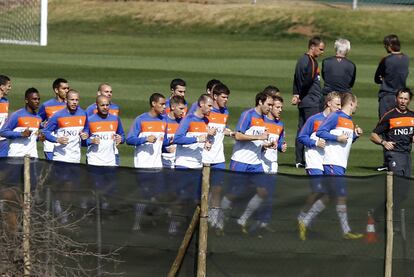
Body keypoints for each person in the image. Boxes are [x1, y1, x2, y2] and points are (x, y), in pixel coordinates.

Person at [217, 91, 273, 234]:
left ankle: (242, 219)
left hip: (255, 162)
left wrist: (265, 144)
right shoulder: (247, 115)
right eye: (269, 104)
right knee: (233, 193)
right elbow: (238, 135)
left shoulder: (264, 118)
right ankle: (219, 222)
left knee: (263, 192)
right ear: (260, 102)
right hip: (240, 160)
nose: (271, 108)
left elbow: (256, 139)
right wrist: (259, 137)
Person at [313, 92, 363, 239]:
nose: (357, 106)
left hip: (341, 163)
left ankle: (305, 220)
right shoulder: (335, 116)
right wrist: (337, 137)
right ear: (351, 103)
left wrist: (355, 136)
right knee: (341, 195)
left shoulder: (350, 121)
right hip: (332, 162)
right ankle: (345, 230)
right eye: (356, 103)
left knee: (329, 196)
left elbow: (345, 142)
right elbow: (320, 132)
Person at [296, 91, 341, 240]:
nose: (340, 108)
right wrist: (315, 142)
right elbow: (301, 137)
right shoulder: (314, 119)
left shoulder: (338, 121)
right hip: (314, 159)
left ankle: (306, 220)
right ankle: (301, 217)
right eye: (337, 104)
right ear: (328, 103)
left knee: (328, 195)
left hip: (329, 161)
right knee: (317, 190)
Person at [370, 88, 414, 219]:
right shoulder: (390, 115)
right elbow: (373, 134)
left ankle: (378, 215)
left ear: (409, 100)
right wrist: (383, 142)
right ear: (396, 98)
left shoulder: (412, 116)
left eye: (405, 99)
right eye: (401, 98)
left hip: (407, 156)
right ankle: (388, 219)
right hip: (394, 155)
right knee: (398, 187)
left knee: (403, 192)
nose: (403, 101)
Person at [374, 34, 410, 171]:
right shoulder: (406, 58)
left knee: (385, 128)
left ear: (389, 46)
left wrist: (384, 79)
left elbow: (377, 78)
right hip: (400, 96)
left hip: (387, 96)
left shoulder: (386, 60)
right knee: (398, 129)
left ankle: (388, 161)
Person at [292, 36, 325, 168]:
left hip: (307, 100)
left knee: (302, 129)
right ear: (313, 46)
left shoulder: (307, 60)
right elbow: (304, 82)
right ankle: (305, 159)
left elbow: (297, 79)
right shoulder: (309, 62)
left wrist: (297, 94)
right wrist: (299, 95)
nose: (322, 52)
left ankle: (300, 159)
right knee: (310, 130)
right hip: (310, 101)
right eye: (321, 49)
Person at [43, 89, 89, 163]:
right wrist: (57, 139)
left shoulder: (83, 114)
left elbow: (86, 128)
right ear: (66, 100)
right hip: (60, 158)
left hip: (76, 159)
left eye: (76, 100)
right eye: (72, 100)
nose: (74, 102)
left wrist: (85, 134)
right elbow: (45, 132)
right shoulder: (58, 115)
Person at [126, 93, 167, 168]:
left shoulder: (164, 121)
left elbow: (163, 142)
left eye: (165, 104)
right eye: (162, 104)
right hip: (142, 165)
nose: (164, 107)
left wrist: (170, 142)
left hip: (157, 166)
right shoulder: (140, 119)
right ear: (153, 103)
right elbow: (129, 140)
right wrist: (146, 139)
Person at [173, 94, 214, 169]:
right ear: (201, 104)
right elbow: (177, 138)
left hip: (198, 165)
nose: (211, 108)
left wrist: (208, 141)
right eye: (209, 106)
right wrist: (197, 139)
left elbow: (203, 138)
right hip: (184, 164)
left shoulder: (206, 121)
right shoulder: (188, 119)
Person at [0, 88, 42, 158]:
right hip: (16, 157)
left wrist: (39, 137)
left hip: (33, 157)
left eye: (38, 99)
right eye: (34, 99)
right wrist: (21, 134)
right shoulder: (16, 115)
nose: (37, 101)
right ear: (26, 100)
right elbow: (3, 132)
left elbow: (32, 138)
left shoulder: (38, 118)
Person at [85, 95, 125, 166]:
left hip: (111, 162)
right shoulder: (89, 120)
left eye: (107, 105)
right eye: (102, 105)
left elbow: (122, 136)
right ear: (97, 105)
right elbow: (82, 141)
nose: (105, 107)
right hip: (94, 161)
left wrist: (120, 139)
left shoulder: (115, 119)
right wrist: (91, 141)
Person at [38, 78, 70, 160]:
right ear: (56, 90)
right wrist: (42, 125)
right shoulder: (47, 105)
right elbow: (36, 122)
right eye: (64, 88)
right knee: (51, 170)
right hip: (50, 145)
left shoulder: (72, 106)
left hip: (67, 145)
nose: (66, 91)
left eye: (67, 88)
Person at [321, 38, 356, 108]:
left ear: (335, 48)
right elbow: (351, 83)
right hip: (344, 98)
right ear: (347, 50)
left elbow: (324, 77)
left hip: (327, 96)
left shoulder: (326, 62)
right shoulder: (351, 65)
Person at [162, 95, 187, 168]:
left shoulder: (185, 122)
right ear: (173, 107)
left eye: (184, 109)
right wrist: (166, 149)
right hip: (164, 162)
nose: (183, 112)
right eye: (181, 109)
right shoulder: (161, 121)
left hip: (180, 161)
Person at [0, 75, 12, 157]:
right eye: (8, 86)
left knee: (3, 168)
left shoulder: (5, 101)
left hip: (3, 141)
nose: (10, 88)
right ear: (1, 87)